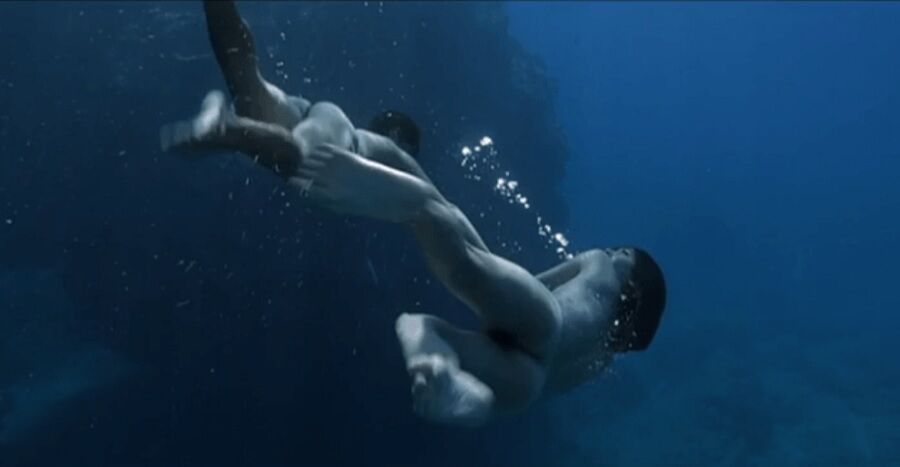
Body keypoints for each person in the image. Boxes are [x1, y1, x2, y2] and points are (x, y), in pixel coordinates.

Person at [161, 0, 667, 427]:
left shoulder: (603, 264)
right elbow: (546, 354)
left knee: (427, 208)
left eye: (623, 251)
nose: (614, 250)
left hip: (535, 317)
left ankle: (232, 126)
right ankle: (441, 374)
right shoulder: (600, 357)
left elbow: (540, 283)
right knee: (419, 317)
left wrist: (489, 277)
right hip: (524, 384)